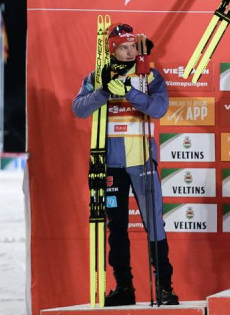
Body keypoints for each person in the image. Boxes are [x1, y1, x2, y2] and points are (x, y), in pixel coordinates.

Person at [72, 23, 178, 306]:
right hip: (111, 167)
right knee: (115, 225)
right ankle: (124, 287)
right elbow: (79, 109)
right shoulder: (97, 76)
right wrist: (104, 92)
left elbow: (159, 109)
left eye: (133, 46)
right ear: (112, 49)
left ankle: (165, 287)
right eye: (124, 47)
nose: (130, 52)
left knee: (154, 224)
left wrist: (130, 91)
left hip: (141, 160)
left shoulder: (149, 75)